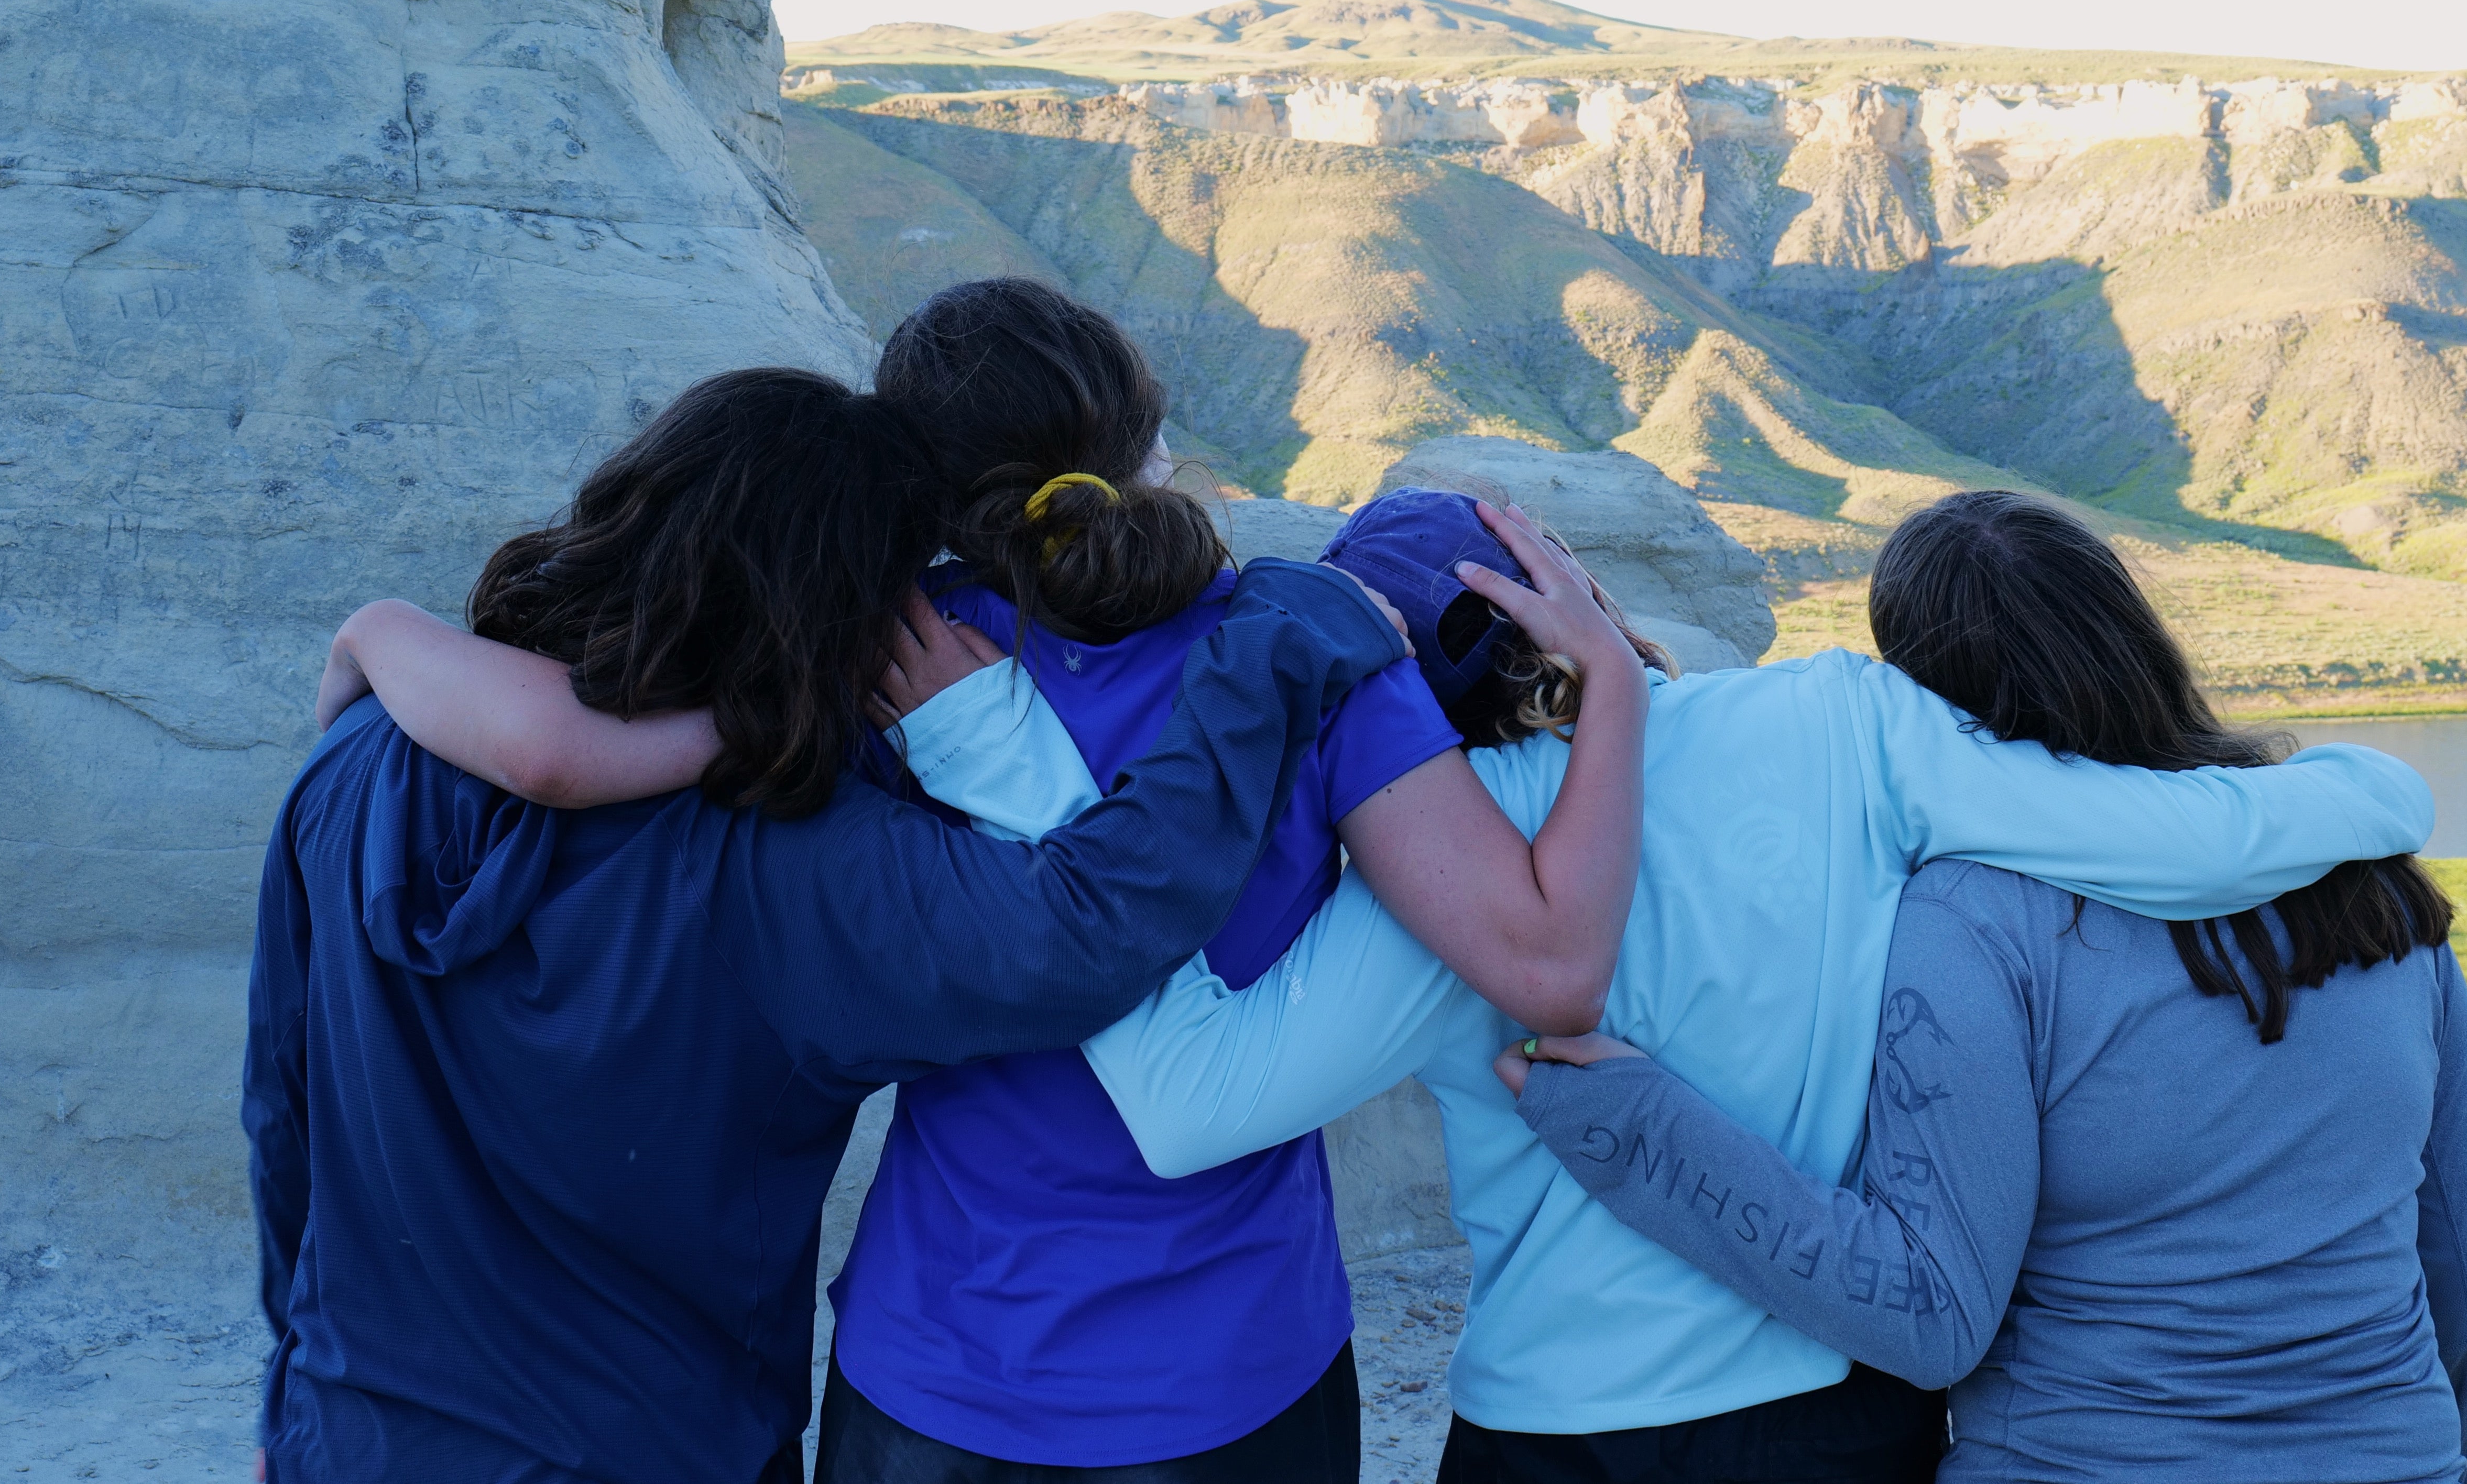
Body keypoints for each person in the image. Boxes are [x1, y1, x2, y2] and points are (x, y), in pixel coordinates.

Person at [324, 281, 1654, 1483]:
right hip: (1231, 1367)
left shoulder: (854, 669)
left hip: (937, 1367)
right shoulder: (1305, 654)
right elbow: (1543, 966)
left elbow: (564, 752)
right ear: (1138, 448)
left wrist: (381, 633)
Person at [890, 492, 2440, 1484]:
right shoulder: (1844, 725)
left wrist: (1019, 784)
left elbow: (1185, 1105)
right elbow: (2181, 832)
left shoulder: (1440, 876)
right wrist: (2376, 789)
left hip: (1550, 1438)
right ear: (1563, 588)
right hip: (1829, 1421)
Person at [1504, 491, 2467, 1483]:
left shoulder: (1973, 922)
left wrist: (1631, 1126)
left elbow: (1929, 1315)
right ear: (2134, 634)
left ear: (1927, 702)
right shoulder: (2369, 882)